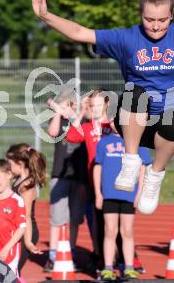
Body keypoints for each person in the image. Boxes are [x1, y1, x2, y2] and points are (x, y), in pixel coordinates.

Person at [30, 0, 174, 215]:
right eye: (149, 20)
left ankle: (154, 176)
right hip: (133, 123)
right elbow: (81, 32)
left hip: (166, 128)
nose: (156, 27)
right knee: (136, 93)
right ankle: (131, 160)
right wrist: (46, 15)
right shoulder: (126, 38)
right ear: (140, 15)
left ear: (172, 15)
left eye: (162, 20)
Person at [64, 89, 112, 273]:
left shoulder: (112, 125)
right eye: (93, 105)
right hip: (94, 182)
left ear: (106, 104)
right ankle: (100, 257)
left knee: (115, 222)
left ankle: (122, 258)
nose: (96, 109)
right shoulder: (87, 127)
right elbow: (70, 136)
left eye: (99, 105)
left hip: (113, 181)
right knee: (97, 222)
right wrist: (82, 112)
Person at [94, 131, 152, 280]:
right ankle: (107, 268)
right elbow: (97, 167)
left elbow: (143, 169)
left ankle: (129, 267)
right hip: (109, 194)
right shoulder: (103, 142)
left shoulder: (137, 140)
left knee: (127, 231)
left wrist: (139, 193)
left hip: (128, 195)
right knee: (110, 231)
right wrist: (98, 193)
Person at [44, 91, 87, 272]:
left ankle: (71, 250)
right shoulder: (59, 121)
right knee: (57, 218)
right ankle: (53, 254)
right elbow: (52, 132)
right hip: (60, 175)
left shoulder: (82, 121)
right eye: (68, 104)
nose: (71, 107)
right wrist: (58, 112)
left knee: (75, 219)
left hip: (79, 176)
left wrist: (77, 112)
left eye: (72, 104)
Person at [7, 143, 46, 275]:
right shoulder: (17, 180)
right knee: (9, 268)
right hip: (17, 230)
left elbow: (27, 216)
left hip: (26, 232)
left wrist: (28, 242)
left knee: (12, 271)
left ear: (20, 164)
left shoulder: (27, 187)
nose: (8, 167)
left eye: (10, 164)